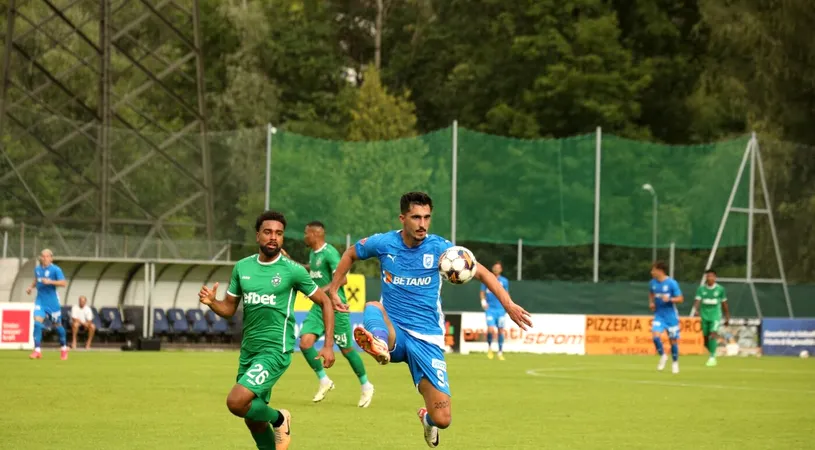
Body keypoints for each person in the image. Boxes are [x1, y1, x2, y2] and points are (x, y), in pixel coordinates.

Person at [326, 192, 533, 448]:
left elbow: (482, 272)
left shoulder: (441, 249)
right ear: (403, 218)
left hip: (427, 340)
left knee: (443, 418)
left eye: (426, 217)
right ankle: (378, 344)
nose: (422, 224)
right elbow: (350, 254)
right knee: (372, 306)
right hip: (394, 331)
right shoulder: (383, 244)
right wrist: (334, 288)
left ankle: (427, 420)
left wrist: (508, 304)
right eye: (415, 217)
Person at [198, 211, 347, 450]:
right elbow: (228, 308)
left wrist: (328, 345)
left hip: (275, 350)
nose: (273, 237)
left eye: (278, 233)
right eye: (268, 232)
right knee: (252, 419)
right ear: (258, 235)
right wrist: (213, 302)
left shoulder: (293, 270)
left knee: (236, 402)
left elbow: (326, 301)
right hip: (249, 352)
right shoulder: (242, 268)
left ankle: (279, 418)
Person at [296, 221, 374, 407]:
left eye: (306, 233)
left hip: (336, 306)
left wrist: (320, 292)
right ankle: (324, 380)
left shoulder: (330, 253)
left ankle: (366, 385)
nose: (304, 236)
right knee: (305, 343)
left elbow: (343, 278)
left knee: (346, 349)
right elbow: (314, 272)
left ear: (315, 234)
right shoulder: (313, 254)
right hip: (319, 307)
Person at [25, 249, 68, 360]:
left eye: (47, 256)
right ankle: (37, 350)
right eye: (43, 256)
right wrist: (30, 287)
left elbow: (63, 283)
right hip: (40, 301)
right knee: (37, 323)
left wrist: (50, 282)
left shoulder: (56, 269)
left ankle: (63, 347)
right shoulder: (37, 269)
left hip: (52, 302)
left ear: (51, 258)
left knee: (58, 326)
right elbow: (36, 280)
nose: (44, 258)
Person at [648, 261, 684, 374]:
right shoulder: (652, 283)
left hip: (671, 316)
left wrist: (670, 299)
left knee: (673, 340)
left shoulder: (672, 283)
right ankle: (663, 355)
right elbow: (651, 293)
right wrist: (651, 303)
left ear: (660, 271)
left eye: (653, 270)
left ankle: (675, 363)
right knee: (655, 336)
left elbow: (680, 299)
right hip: (659, 315)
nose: (651, 272)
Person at [692, 269, 730, 366]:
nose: (710, 278)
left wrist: (727, 317)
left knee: (713, 334)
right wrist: (696, 310)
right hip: (704, 316)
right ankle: (714, 351)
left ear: (715, 278)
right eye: (708, 276)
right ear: (706, 278)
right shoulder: (701, 289)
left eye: (712, 276)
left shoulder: (720, 289)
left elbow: (724, 303)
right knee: (705, 340)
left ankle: (712, 357)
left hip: (715, 315)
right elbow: (697, 301)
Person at [480, 261, 509, 360]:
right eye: (494, 267)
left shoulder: (504, 281)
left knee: (501, 330)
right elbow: (482, 292)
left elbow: (506, 294)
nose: (496, 269)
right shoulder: (487, 278)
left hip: (500, 309)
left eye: (498, 267)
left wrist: (508, 306)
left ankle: (500, 352)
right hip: (490, 309)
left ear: (501, 270)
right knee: (490, 329)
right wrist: (483, 301)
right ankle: (490, 348)